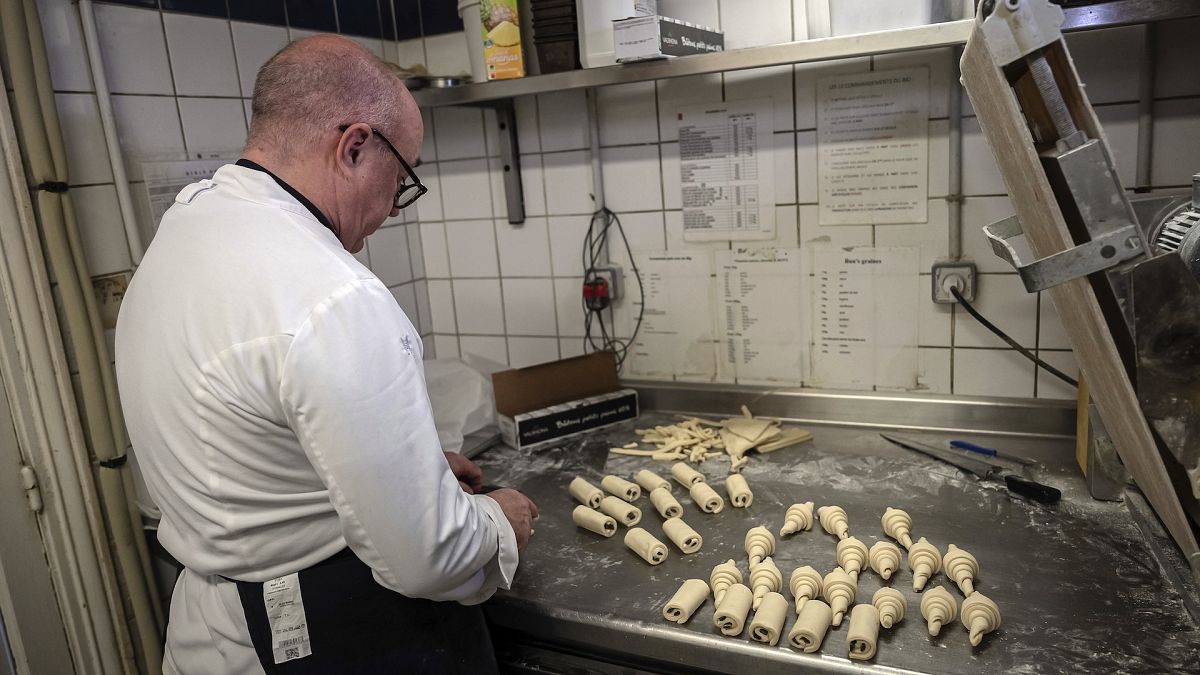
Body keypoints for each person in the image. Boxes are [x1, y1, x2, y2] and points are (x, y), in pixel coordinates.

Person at [115, 35, 537, 674]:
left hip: (215, 632)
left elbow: (254, 447)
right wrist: (498, 522)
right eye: (402, 179)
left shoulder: (187, 231)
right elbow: (430, 557)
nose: (396, 209)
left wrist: (406, 471)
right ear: (355, 145)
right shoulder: (334, 298)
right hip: (325, 634)